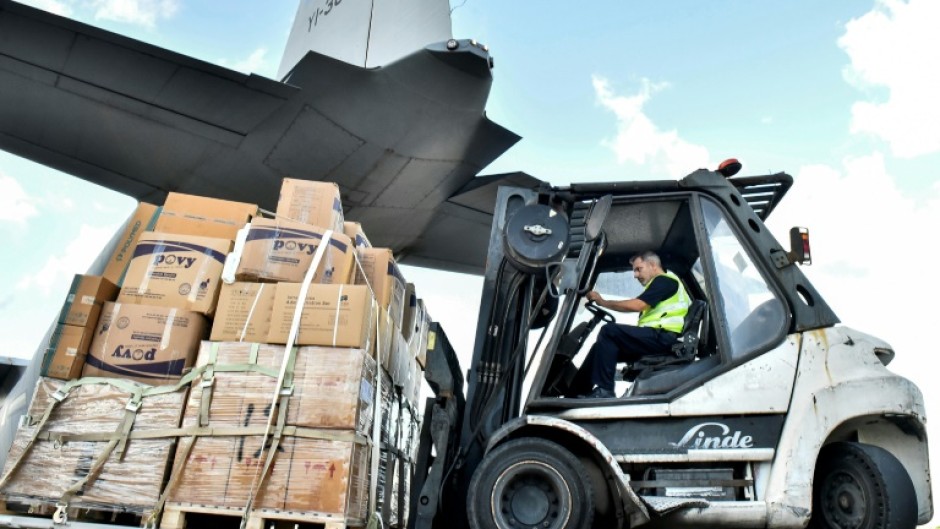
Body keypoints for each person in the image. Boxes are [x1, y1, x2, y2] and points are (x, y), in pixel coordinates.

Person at [573, 251, 690, 398]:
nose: (635, 275)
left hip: (663, 337)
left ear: (653, 265)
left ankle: (605, 390)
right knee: (601, 347)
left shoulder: (665, 281)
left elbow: (637, 305)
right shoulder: (660, 285)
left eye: (638, 269)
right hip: (656, 337)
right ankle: (575, 392)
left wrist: (602, 302)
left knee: (609, 331)